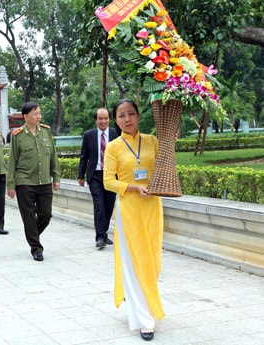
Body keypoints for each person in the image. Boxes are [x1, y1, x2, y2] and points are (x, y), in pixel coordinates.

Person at [103, 99, 164, 341]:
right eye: (121, 115)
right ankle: (144, 320)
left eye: (131, 114)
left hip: (152, 207)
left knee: (152, 262)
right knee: (134, 262)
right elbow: (108, 181)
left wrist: (171, 142)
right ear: (116, 121)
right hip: (129, 210)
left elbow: (164, 167)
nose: (127, 119)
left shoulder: (152, 141)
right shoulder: (114, 147)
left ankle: (142, 298)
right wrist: (132, 187)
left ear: (138, 116)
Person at [7, 102, 61, 261]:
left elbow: (53, 157)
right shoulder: (17, 136)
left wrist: (56, 177)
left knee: (46, 214)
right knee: (29, 216)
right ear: (25, 116)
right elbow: (12, 162)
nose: (38, 116)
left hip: (44, 181)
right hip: (24, 182)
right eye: (35, 114)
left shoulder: (46, 132)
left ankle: (32, 235)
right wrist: (11, 185)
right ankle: (36, 248)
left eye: (39, 113)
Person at [78, 108, 118, 248]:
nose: (103, 121)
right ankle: (100, 237)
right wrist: (80, 175)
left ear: (109, 119)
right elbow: (84, 156)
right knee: (99, 206)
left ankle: (104, 232)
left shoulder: (116, 133)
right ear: (96, 120)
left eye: (106, 118)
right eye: (100, 118)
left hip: (112, 176)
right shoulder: (89, 135)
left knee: (108, 206)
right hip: (95, 175)